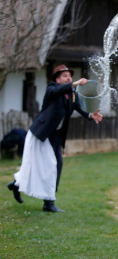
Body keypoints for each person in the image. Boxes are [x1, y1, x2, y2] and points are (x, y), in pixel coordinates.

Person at [6, 64, 103, 212]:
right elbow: (59, 90)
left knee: (57, 164)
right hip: (41, 134)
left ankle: (25, 189)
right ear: (57, 80)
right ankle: (45, 202)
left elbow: (79, 109)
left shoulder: (72, 94)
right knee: (45, 165)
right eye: (64, 76)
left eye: (70, 75)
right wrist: (75, 83)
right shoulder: (51, 89)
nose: (69, 77)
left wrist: (91, 115)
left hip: (55, 136)